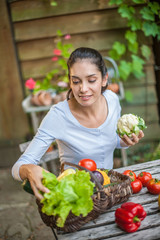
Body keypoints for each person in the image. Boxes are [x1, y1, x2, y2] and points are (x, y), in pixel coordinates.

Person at [12, 47, 144, 200]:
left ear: (104, 79)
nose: (83, 89)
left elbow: (112, 141)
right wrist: (29, 169)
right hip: (76, 198)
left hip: (108, 192)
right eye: (76, 81)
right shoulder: (58, 116)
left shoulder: (112, 100)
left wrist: (127, 141)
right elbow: (17, 167)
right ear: (70, 81)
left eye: (91, 80)